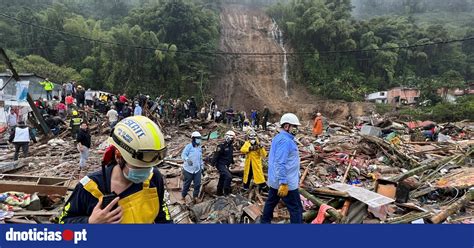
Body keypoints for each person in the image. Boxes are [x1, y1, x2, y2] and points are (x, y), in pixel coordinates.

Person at [58, 116, 171, 224]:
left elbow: (163, 216)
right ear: (118, 156)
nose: (146, 172)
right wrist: (90, 222)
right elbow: (63, 223)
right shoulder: (89, 188)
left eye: (149, 167)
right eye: (138, 166)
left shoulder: (153, 178)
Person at [261, 113, 303, 224]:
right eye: (295, 126)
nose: (296, 129)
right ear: (286, 126)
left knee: (270, 203)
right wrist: (283, 182)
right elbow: (280, 163)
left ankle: (264, 222)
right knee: (296, 209)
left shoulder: (279, 138)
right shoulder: (285, 141)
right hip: (286, 183)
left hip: (276, 180)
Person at [181, 131, 204, 203]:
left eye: (199, 138)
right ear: (193, 139)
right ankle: (183, 196)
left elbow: (200, 158)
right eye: (197, 138)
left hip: (197, 169)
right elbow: (183, 155)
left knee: (197, 184)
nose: (199, 140)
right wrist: (187, 159)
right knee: (187, 184)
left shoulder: (199, 148)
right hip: (188, 169)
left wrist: (202, 166)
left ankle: (195, 197)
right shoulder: (189, 147)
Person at [215, 130, 236, 196]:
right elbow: (216, 155)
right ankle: (226, 193)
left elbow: (230, 155)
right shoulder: (221, 146)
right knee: (228, 177)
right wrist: (213, 164)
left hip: (226, 165)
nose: (233, 140)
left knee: (222, 177)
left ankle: (219, 193)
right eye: (233, 139)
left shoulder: (231, 146)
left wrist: (233, 162)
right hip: (220, 164)